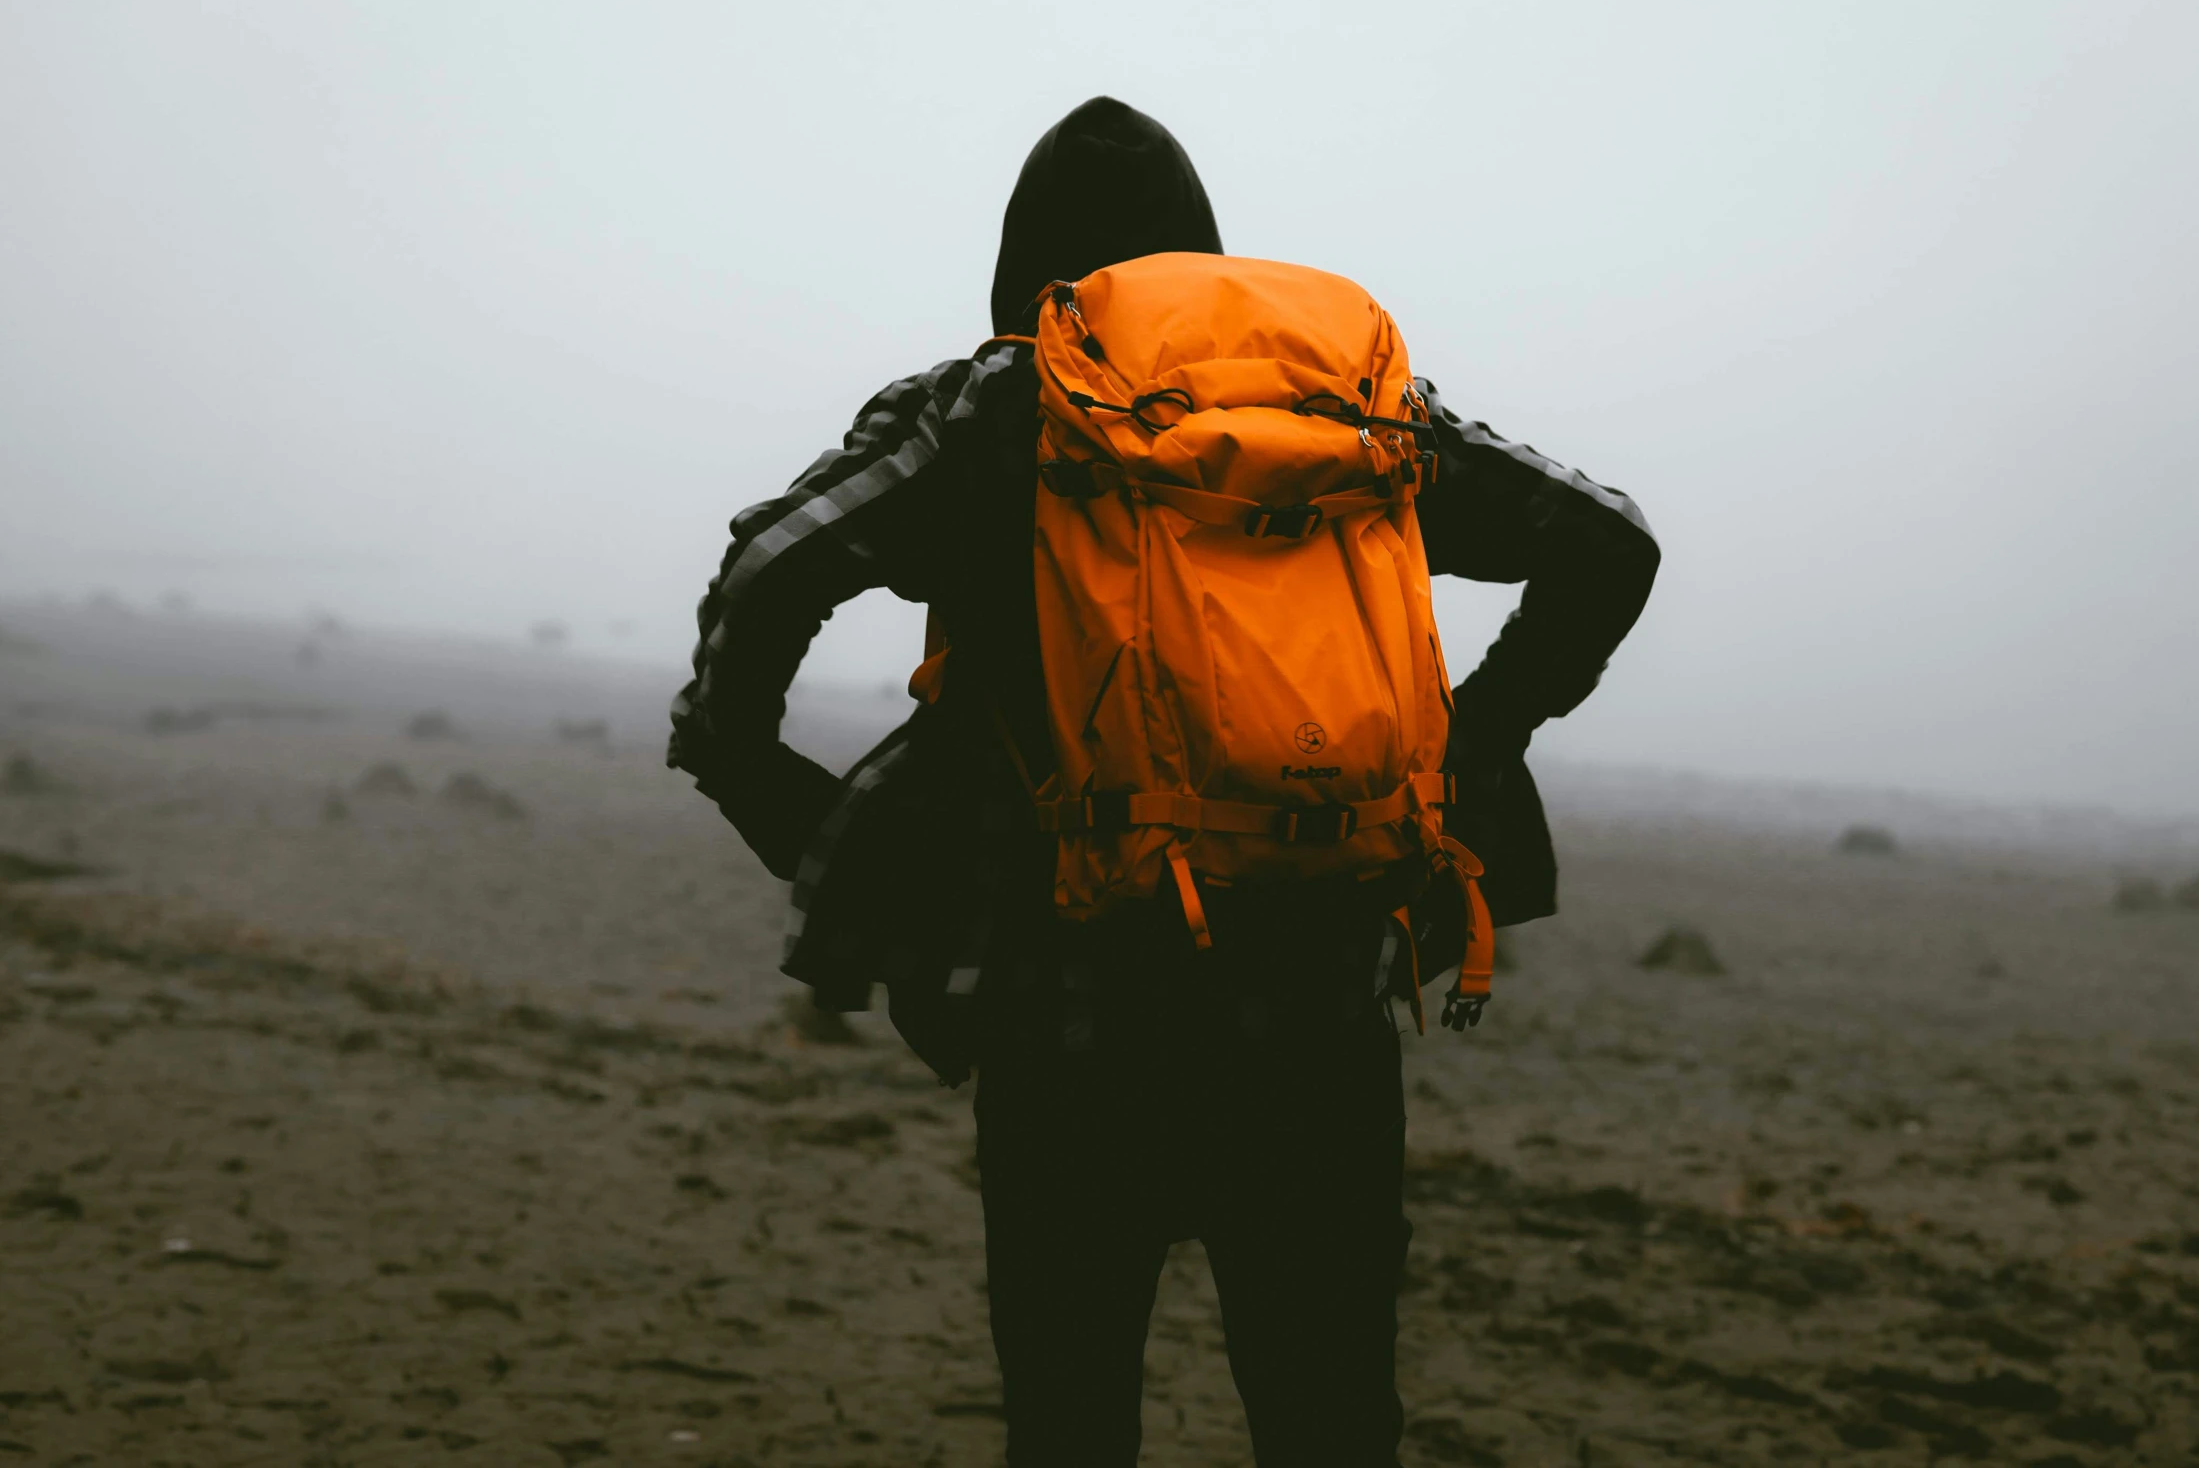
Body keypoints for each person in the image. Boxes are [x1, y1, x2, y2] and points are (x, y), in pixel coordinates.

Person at [670, 96, 1659, 1467]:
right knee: (1327, 1420)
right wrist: (1472, 737)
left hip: (1064, 1017)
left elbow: (772, 566)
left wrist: (733, 750)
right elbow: (1610, 543)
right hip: (1320, 1021)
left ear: (1031, 277)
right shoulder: (1359, 415)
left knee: (1070, 1417)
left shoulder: (989, 410)